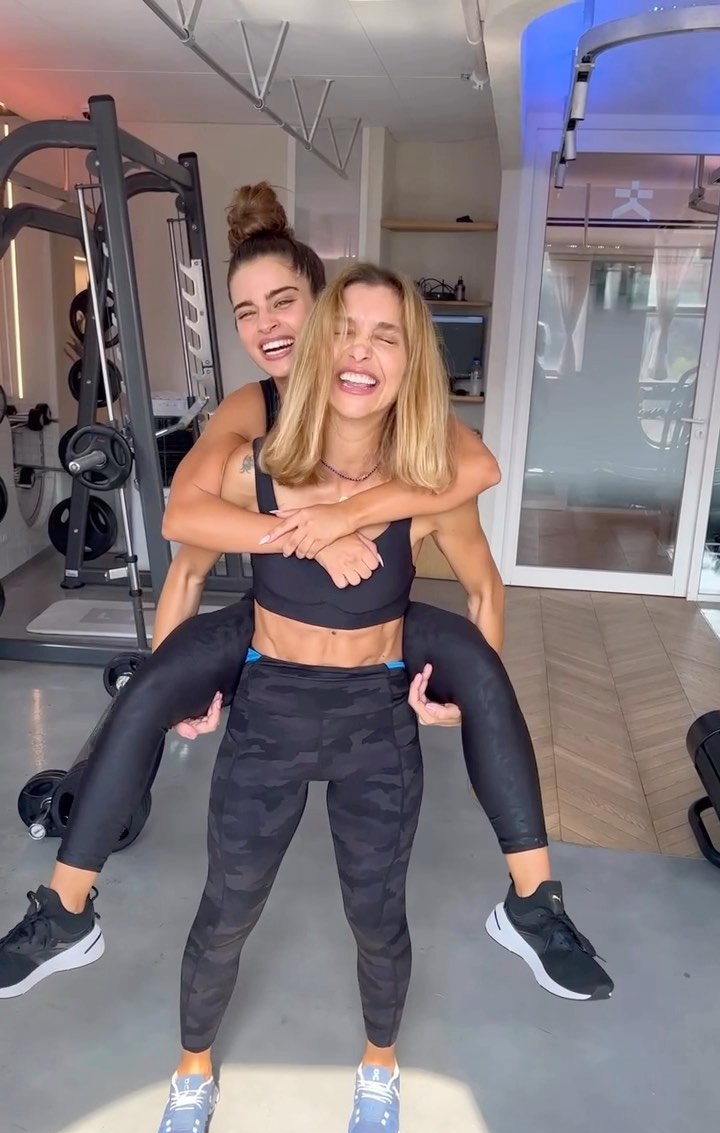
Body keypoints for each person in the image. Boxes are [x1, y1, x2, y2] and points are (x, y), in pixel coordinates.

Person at [0, 186, 612, 1010]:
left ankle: (534, 902)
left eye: (284, 303)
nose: (269, 327)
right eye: (247, 312)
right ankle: (66, 913)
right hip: (268, 623)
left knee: (481, 669)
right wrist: (302, 535)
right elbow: (186, 528)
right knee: (147, 690)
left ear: (325, 311)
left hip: (381, 634)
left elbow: (478, 480)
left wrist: (350, 515)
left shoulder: (410, 436)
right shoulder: (252, 417)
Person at [153, 261, 514, 1133]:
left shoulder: (428, 488)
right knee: (227, 909)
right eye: (346, 330)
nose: (361, 351)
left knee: (376, 914)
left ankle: (379, 1064)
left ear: (409, 362)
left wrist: (465, 694)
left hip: (375, 724)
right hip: (269, 711)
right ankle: (192, 1072)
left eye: (385, 336)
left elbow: (484, 589)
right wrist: (176, 691)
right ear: (317, 347)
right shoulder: (260, 469)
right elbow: (184, 557)